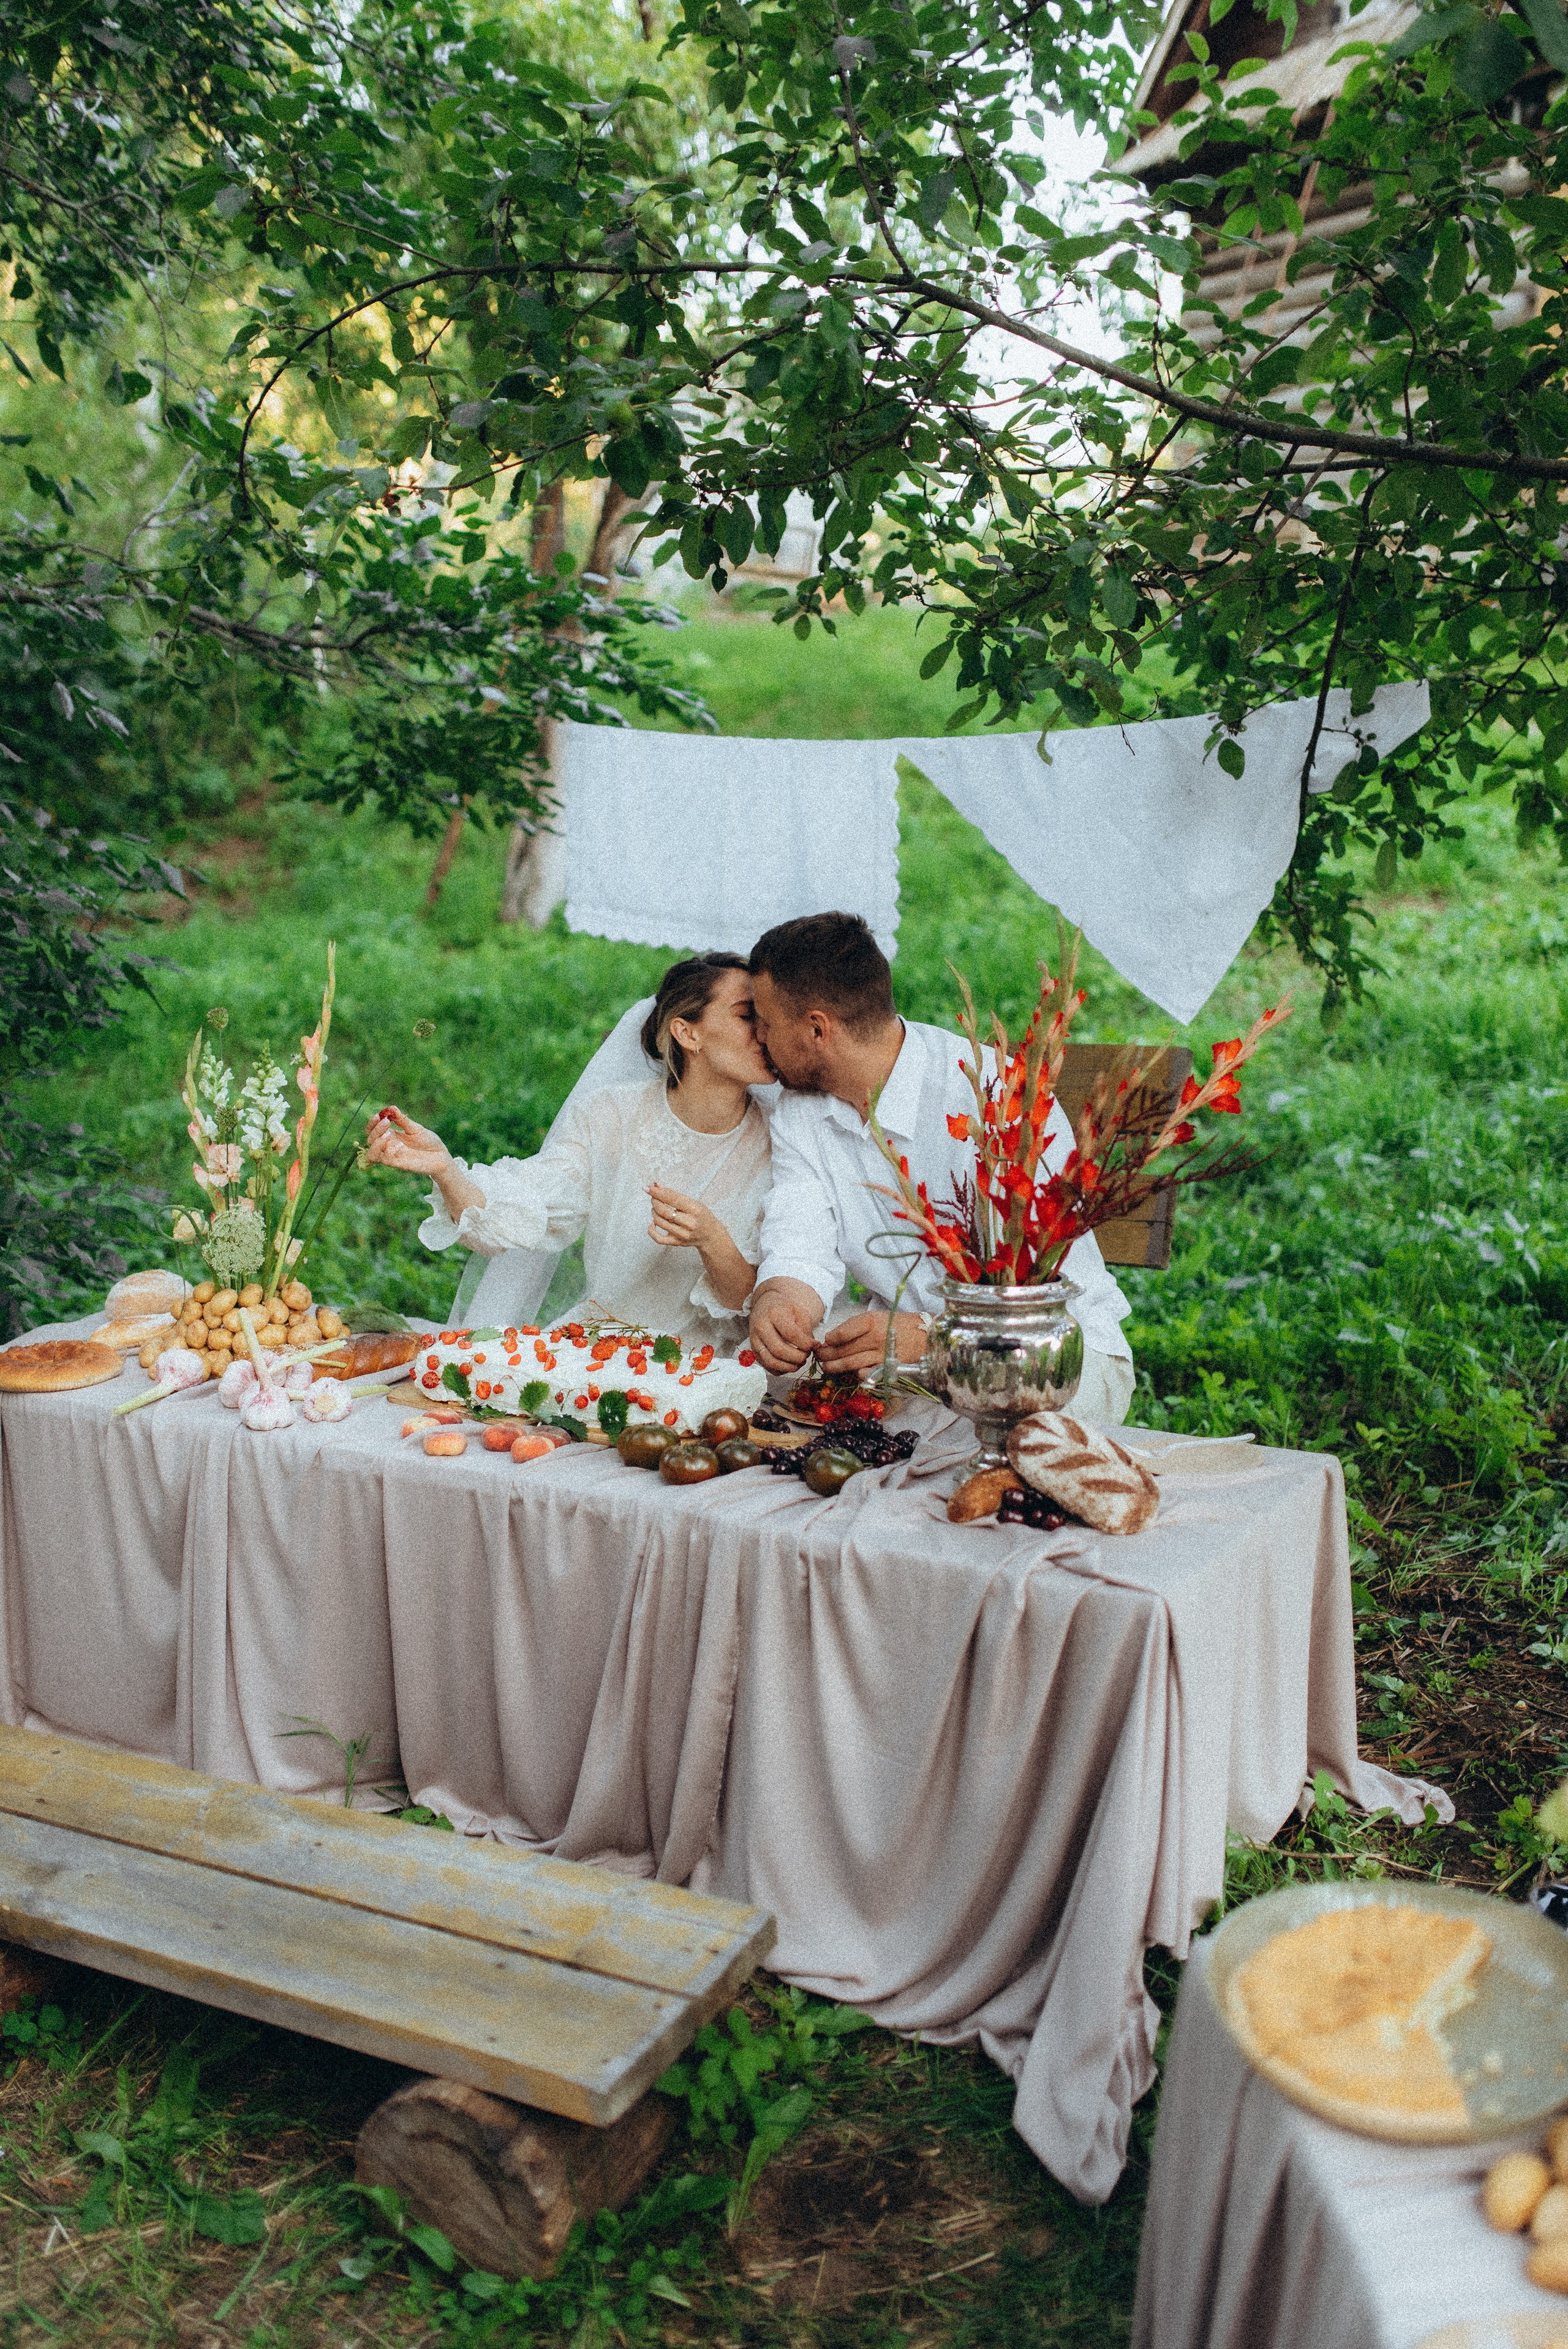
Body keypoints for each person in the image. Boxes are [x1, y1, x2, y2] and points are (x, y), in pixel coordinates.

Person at [745, 911, 1136, 1423]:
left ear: (818, 1029)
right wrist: (779, 1302)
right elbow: (801, 1240)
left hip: (1047, 1355)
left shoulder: (992, 1096)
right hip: (909, 1366)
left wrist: (932, 1334)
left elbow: (1035, 1294)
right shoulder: (802, 1111)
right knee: (769, 1386)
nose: (759, 1039)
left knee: (991, 1419)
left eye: (767, 1025)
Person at [364, 954, 774, 1347]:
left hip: (710, 1370)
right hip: (601, 1352)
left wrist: (712, 1239)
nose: (766, 1029)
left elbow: (750, 1308)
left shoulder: (778, 1142)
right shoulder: (611, 1115)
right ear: (688, 1033)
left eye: (767, 1014)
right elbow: (531, 1208)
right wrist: (446, 1169)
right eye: (745, 1014)